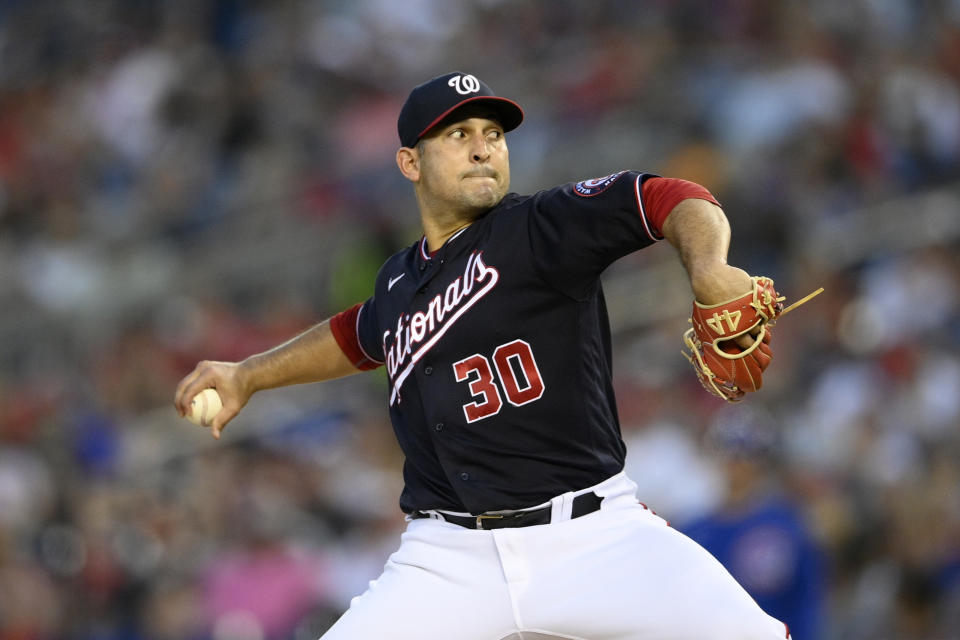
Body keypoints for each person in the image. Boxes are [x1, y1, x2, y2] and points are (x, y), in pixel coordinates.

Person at [174, 71, 792, 639]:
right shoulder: (397, 282)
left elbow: (668, 196)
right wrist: (247, 374)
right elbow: (357, 335)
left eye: (493, 134)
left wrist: (710, 265)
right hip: (446, 558)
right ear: (409, 162)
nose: (482, 147)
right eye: (459, 134)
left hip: (592, 534)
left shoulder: (542, 226)